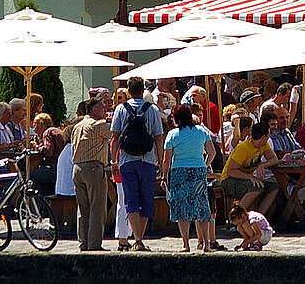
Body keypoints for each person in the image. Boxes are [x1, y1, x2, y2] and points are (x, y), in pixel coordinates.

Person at [111, 77, 165, 251]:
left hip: (126, 160)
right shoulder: (152, 110)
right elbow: (159, 138)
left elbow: (115, 138)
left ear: (128, 89)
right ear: (142, 90)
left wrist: (113, 160)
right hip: (147, 160)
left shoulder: (120, 108)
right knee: (146, 199)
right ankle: (139, 239)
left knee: (131, 200)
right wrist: (160, 161)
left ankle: (137, 239)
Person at [161, 103, 217, 252]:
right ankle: (206, 243)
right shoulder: (201, 131)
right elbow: (212, 152)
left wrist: (163, 176)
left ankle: (186, 244)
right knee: (201, 206)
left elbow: (166, 160)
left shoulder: (172, 134)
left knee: (182, 207)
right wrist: (205, 165)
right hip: (198, 170)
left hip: (179, 171)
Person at [70, 97, 112, 251]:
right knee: (97, 208)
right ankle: (94, 244)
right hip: (93, 168)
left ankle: (83, 242)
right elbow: (115, 133)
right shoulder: (97, 124)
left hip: (77, 168)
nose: (105, 110)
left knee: (83, 208)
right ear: (94, 110)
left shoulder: (78, 125)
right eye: (102, 108)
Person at [221, 121, 281, 215]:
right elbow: (231, 171)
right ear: (263, 137)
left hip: (245, 179)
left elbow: (274, 159)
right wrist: (250, 177)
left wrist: (262, 165)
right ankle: (236, 217)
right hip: (229, 180)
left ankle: (259, 218)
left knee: (274, 186)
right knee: (256, 187)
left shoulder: (264, 145)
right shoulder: (243, 148)